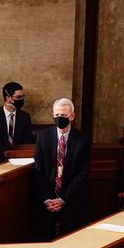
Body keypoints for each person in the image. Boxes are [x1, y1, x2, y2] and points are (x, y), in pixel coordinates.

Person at [34, 98, 91, 240]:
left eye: (64, 116)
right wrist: (47, 199)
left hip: (71, 199)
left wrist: (63, 199)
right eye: (57, 115)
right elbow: (38, 170)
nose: (60, 119)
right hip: (47, 199)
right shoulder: (43, 136)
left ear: (72, 116)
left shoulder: (83, 139)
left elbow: (82, 174)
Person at [0, 82, 33, 169]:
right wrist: (3, 161)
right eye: (18, 97)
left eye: (23, 97)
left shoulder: (25, 117)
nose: (22, 99)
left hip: (19, 163)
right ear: (8, 98)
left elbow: (27, 142)